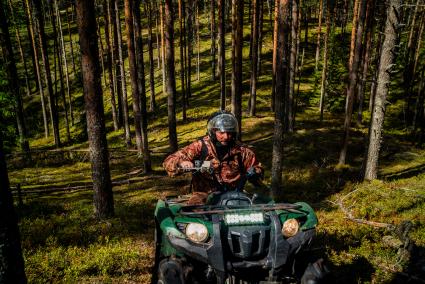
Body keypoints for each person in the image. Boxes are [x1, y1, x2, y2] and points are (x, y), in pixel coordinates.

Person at [163, 111, 263, 205]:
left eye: (229, 133)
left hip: (234, 195)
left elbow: (257, 169)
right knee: (194, 214)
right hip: (203, 196)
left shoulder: (242, 151)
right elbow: (169, 161)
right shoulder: (200, 146)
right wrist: (181, 163)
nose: (226, 137)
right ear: (213, 131)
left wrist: (255, 173)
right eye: (221, 133)